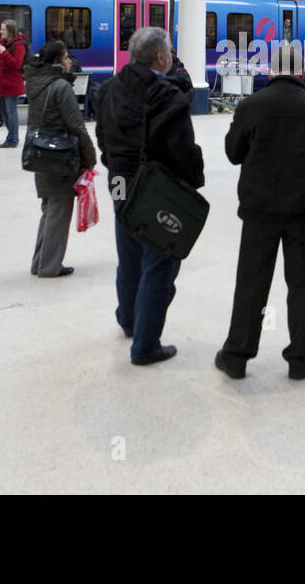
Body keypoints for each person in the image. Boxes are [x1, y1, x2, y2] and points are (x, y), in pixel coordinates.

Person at [215, 41, 305, 381]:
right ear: (303, 72)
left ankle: (236, 355)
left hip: (259, 212)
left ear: (271, 70)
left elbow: (233, 153)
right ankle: (300, 359)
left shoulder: (251, 106)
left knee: (250, 283)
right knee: (301, 285)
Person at [95, 26, 204, 366]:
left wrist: (115, 166)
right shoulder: (168, 97)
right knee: (160, 260)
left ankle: (128, 320)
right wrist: (192, 183)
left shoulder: (109, 89)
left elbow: (102, 137)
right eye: (169, 51)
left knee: (127, 253)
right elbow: (182, 150)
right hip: (157, 187)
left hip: (119, 182)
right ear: (161, 57)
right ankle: (145, 345)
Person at [25, 40, 96, 277]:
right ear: (57, 61)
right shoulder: (60, 87)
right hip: (60, 156)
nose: (69, 62)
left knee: (49, 209)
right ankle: (49, 266)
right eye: (66, 58)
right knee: (59, 210)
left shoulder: (36, 82)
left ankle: (40, 262)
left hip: (40, 152)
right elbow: (76, 125)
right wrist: (90, 157)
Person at [0, 19, 27, 148]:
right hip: (2, 83)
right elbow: (0, 65)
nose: (1, 31)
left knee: (11, 111)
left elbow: (17, 64)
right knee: (4, 112)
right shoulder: (4, 44)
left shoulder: (18, 45)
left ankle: (13, 139)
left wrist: (4, 53)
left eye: (3, 29)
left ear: (10, 31)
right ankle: (11, 136)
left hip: (12, 84)